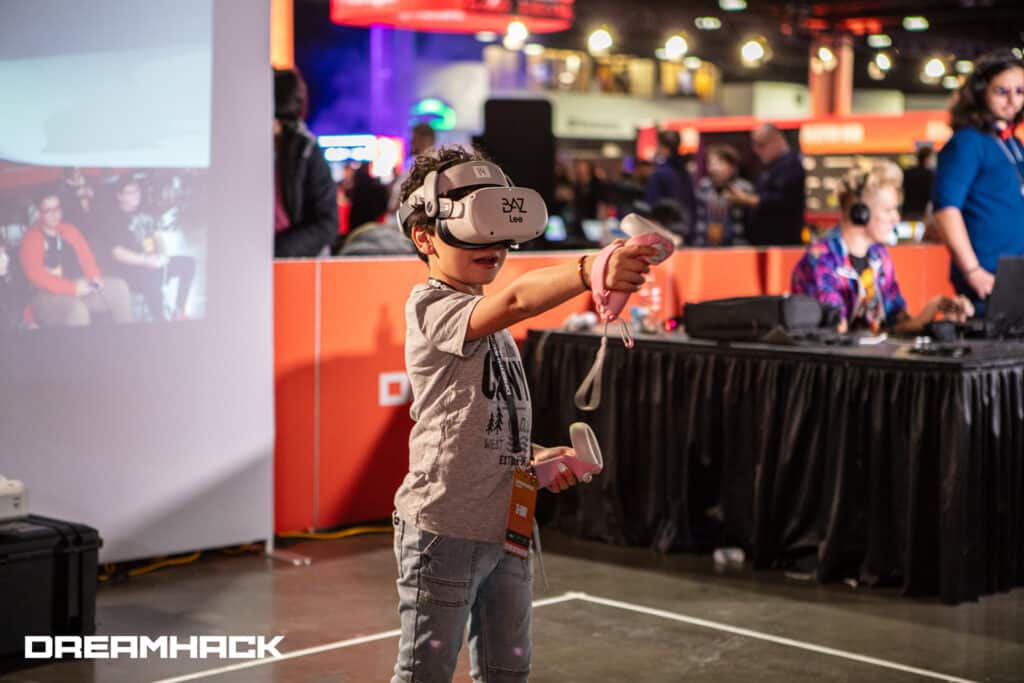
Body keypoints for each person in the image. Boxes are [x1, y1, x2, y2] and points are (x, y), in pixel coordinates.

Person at [391, 146, 657, 682]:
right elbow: (515, 300)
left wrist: (535, 457)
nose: (491, 245)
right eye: (472, 228)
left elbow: (473, 417)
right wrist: (590, 268)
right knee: (425, 673)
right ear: (425, 238)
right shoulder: (432, 306)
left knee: (507, 671)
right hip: (445, 531)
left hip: (507, 530)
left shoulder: (490, 326)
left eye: (497, 230)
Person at [792, 161, 972, 335]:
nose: (896, 218)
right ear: (860, 212)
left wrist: (934, 311)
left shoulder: (879, 257)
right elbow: (835, 333)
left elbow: (896, 325)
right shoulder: (821, 260)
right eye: (888, 210)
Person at [933, 49, 1024, 314]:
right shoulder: (967, 142)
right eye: (1001, 91)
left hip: (1014, 275)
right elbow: (946, 209)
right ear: (981, 91)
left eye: (1020, 91)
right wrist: (972, 270)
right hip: (986, 277)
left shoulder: (1013, 144)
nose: (1012, 100)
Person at [19, 191, 132, 327]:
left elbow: (87, 258)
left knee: (120, 288)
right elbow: (37, 276)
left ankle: (126, 341)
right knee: (77, 310)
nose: (55, 214)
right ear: (39, 213)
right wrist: (72, 288)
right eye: (48, 210)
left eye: (57, 208)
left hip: (77, 286)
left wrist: (94, 277)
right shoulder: (31, 238)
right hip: (45, 296)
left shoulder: (69, 230)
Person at [97, 178, 196, 321]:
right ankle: (160, 320)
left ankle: (179, 312)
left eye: (136, 190)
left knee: (188, 264)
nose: (136, 195)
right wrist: (146, 260)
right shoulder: (113, 218)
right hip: (130, 270)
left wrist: (163, 254)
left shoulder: (145, 210)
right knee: (152, 278)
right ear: (119, 196)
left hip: (152, 262)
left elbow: (156, 236)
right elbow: (118, 253)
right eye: (130, 192)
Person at [273, 67, 338, 258]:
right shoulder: (245, 150)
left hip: (293, 264)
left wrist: (275, 249)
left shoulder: (306, 152)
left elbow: (326, 224)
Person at [725, 123, 806, 245]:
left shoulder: (790, 165)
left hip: (781, 244)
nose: (757, 151)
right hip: (766, 243)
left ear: (777, 140)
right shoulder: (773, 166)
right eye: (755, 145)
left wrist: (746, 199)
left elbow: (780, 200)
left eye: (761, 145)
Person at [693, 144, 753, 246]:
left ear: (732, 167)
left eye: (719, 163)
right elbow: (698, 220)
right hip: (707, 247)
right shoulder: (703, 187)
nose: (714, 168)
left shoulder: (744, 188)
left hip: (738, 247)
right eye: (710, 163)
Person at [645, 129, 696, 237]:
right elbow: (692, 202)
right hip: (686, 229)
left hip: (665, 230)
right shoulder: (685, 172)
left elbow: (653, 205)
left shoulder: (659, 173)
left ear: (664, 148)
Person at [901, 146, 935, 221]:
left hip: (907, 211)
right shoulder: (931, 175)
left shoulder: (907, 173)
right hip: (923, 213)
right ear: (927, 159)